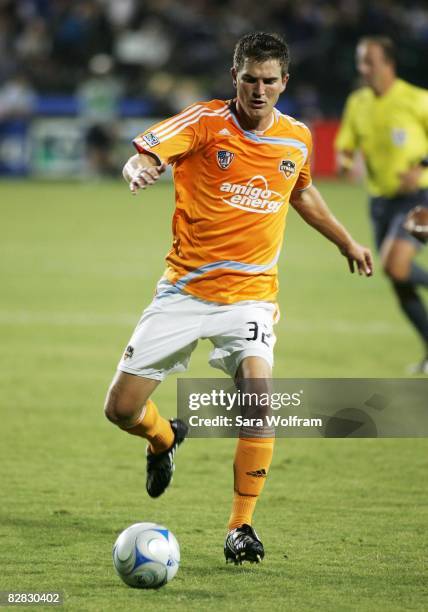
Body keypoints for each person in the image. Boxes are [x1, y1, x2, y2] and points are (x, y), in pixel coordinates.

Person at [104, 32, 373, 565]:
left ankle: (240, 527)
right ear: (235, 77)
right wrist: (139, 168)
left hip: (251, 294)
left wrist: (347, 240)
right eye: (249, 78)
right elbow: (145, 153)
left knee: (258, 392)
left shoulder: (295, 138)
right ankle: (163, 439)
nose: (258, 89)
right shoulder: (203, 122)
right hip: (185, 289)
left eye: (269, 81)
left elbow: (300, 190)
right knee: (120, 409)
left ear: (284, 83)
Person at [335, 36, 428, 374]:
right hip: (380, 203)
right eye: (361, 61)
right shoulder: (358, 101)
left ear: (389, 64)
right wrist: (344, 160)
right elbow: (346, 142)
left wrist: (421, 166)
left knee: (395, 265)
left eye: (370, 61)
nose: (364, 69)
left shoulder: (417, 99)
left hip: (421, 198)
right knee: (399, 281)